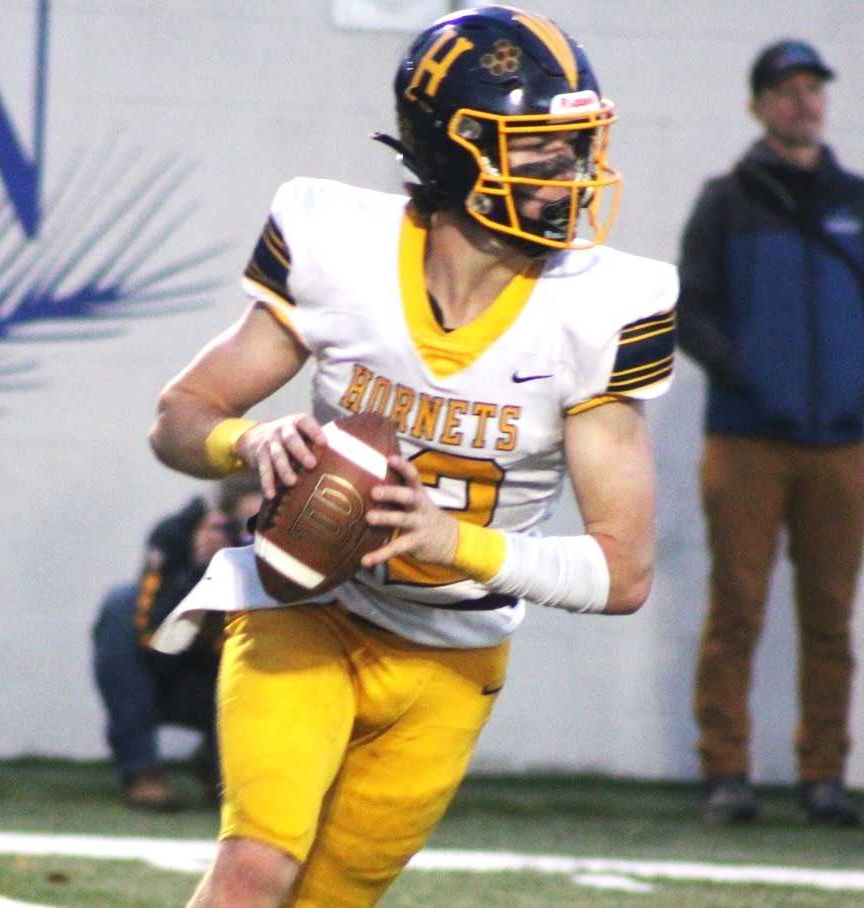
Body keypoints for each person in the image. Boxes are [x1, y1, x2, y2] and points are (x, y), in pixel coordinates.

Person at [145, 6, 677, 906]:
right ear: (452, 151)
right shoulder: (340, 246)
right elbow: (180, 417)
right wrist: (252, 438)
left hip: (453, 656)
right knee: (253, 866)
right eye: (538, 148)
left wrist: (450, 541)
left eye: (575, 146)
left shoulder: (602, 306)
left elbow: (623, 572)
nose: (571, 174)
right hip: (305, 609)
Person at [676, 38, 864, 827]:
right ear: (758, 105)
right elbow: (691, 311)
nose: (803, 101)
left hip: (842, 443)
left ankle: (824, 777)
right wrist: (753, 381)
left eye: (813, 88)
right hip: (745, 439)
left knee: (830, 616)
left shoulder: (860, 202)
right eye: (786, 89)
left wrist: (857, 382)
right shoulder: (725, 201)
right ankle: (726, 772)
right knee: (736, 606)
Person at [91, 476, 262, 810]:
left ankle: (226, 767)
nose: (251, 538)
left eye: (260, 526)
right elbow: (156, 642)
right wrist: (199, 575)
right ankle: (141, 769)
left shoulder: (287, 552)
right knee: (119, 605)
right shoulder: (175, 536)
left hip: (234, 682)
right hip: (166, 674)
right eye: (243, 526)